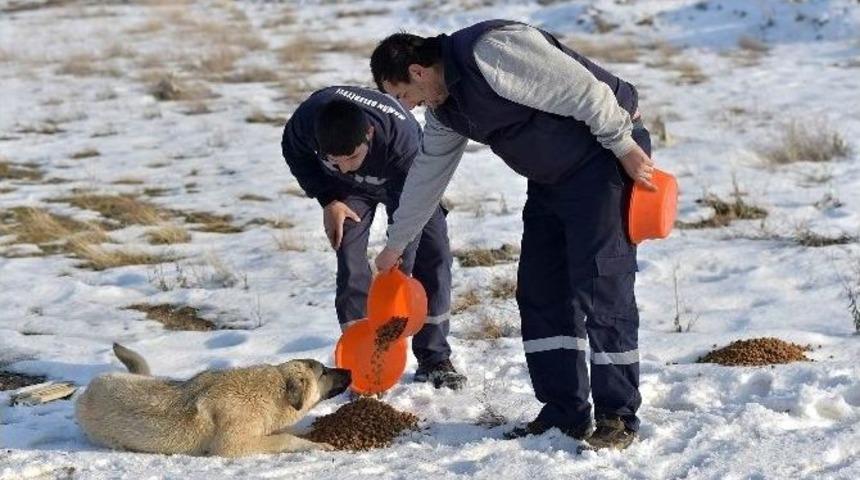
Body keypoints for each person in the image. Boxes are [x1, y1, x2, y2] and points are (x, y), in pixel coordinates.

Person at [369, 20, 656, 449]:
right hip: (549, 180)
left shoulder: (493, 50)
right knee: (541, 290)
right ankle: (564, 412)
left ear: (417, 71)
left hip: (603, 161)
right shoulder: (445, 110)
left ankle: (617, 416)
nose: (407, 107)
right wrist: (396, 244)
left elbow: (585, 91)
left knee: (601, 288)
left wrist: (625, 147)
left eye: (403, 96)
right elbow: (427, 175)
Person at [281, 85, 467, 390]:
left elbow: (412, 211)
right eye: (334, 160)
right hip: (348, 193)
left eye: (351, 157)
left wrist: (397, 262)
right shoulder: (306, 121)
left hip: (406, 184)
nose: (344, 166)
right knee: (349, 256)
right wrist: (328, 199)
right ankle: (362, 365)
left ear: (368, 134)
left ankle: (434, 359)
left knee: (432, 255)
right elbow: (294, 152)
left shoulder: (404, 142)